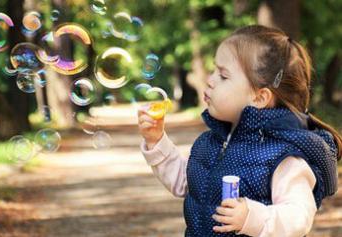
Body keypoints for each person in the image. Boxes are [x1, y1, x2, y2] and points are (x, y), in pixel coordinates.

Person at [137, 25, 341, 237]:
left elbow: (298, 216)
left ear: (260, 97)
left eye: (223, 76)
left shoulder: (283, 156)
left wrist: (252, 218)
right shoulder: (210, 142)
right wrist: (157, 141)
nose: (210, 79)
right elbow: (186, 183)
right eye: (214, 70)